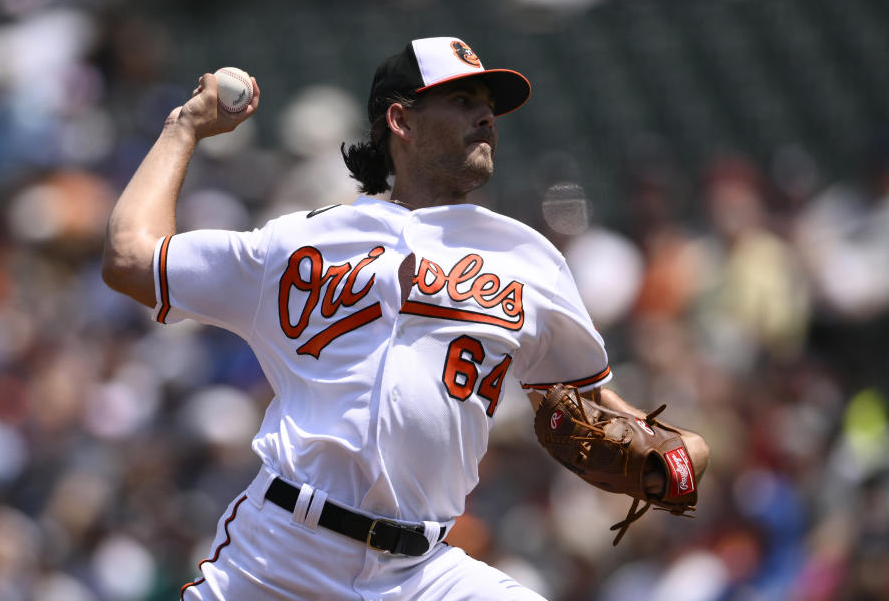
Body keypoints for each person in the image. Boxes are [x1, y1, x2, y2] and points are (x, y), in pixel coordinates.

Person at [102, 36, 708, 600]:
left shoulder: (528, 258)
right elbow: (131, 258)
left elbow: (593, 404)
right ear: (401, 121)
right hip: (283, 554)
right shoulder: (300, 242)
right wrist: (183, 130)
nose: (487, 117)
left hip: (420, 572)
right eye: (463, 99)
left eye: (489, 105)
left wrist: (686, 450)